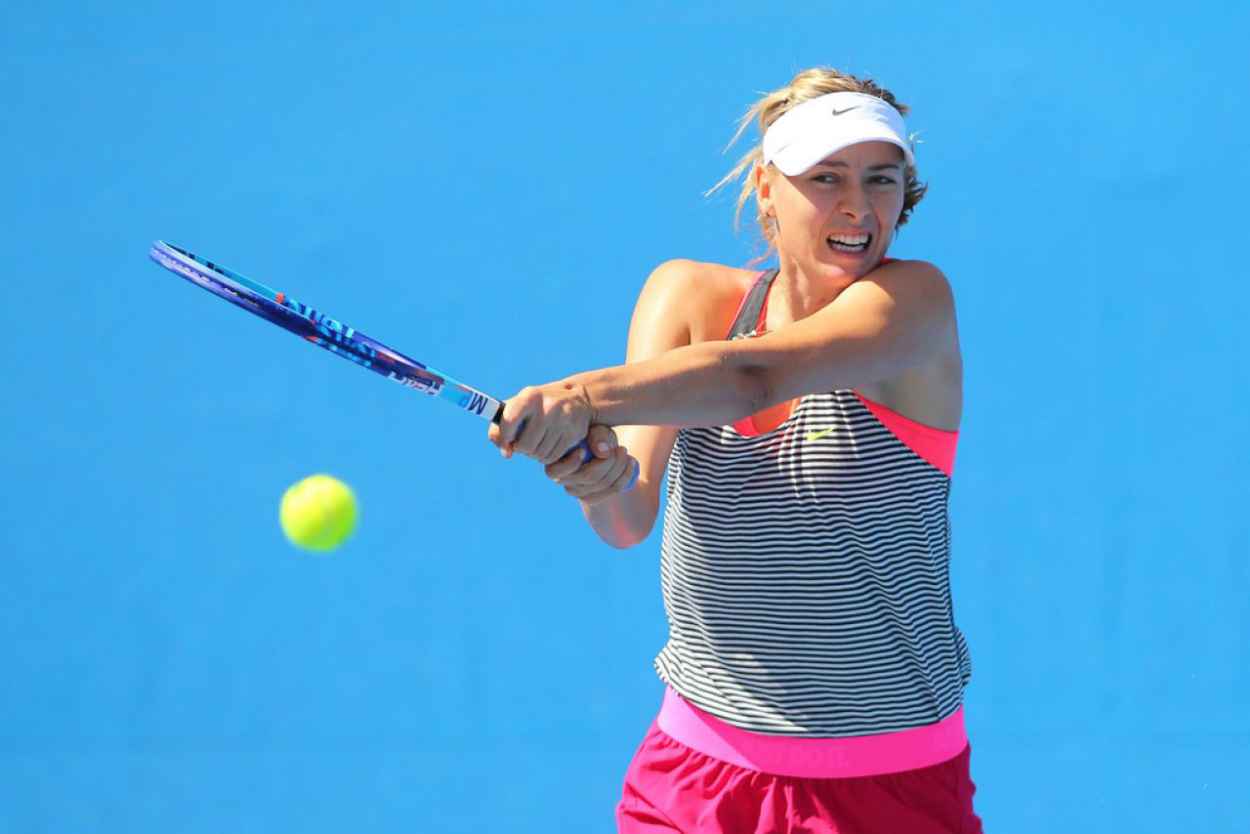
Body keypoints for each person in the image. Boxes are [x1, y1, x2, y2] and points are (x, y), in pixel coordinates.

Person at [488, 68, 982, 834]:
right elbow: (626, 520)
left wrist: (578, 396)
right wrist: (596, 475)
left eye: (881, 181)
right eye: (826, 177)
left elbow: (754, 375)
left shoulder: (914, 305)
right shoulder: (686, 298)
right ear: (765, 187)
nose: (857, 206)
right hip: (695, 779)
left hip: (888, 787)